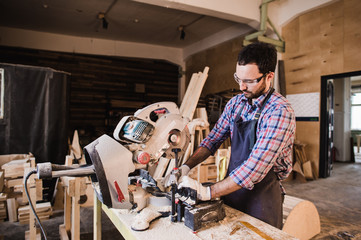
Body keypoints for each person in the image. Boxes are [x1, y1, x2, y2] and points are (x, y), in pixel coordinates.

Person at [172, 42, 296, 229]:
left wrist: (207, 192)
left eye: (249, 81)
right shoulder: (236, 103)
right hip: (232, 190)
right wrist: (186, 167)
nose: (241, 86)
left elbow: (254, 168)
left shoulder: (279, 111)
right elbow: (212, 140)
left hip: (262, 198)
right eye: (238, 78)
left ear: (269, 76)